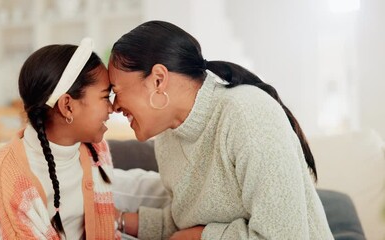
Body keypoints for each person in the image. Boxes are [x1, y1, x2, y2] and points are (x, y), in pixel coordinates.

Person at [108, 21, 334, 240]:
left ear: (158, 80)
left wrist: (203, 237)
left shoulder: (247, 114)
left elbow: (285, 235)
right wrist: (117, 220)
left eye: (116, 90)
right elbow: (182, 225)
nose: (114, 105)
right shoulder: (168, 138)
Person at [0, 38, 120, 239]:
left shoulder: (96, 149)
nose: (112, 107)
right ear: (68, 106)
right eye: (104, 97)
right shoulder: (5, 173)